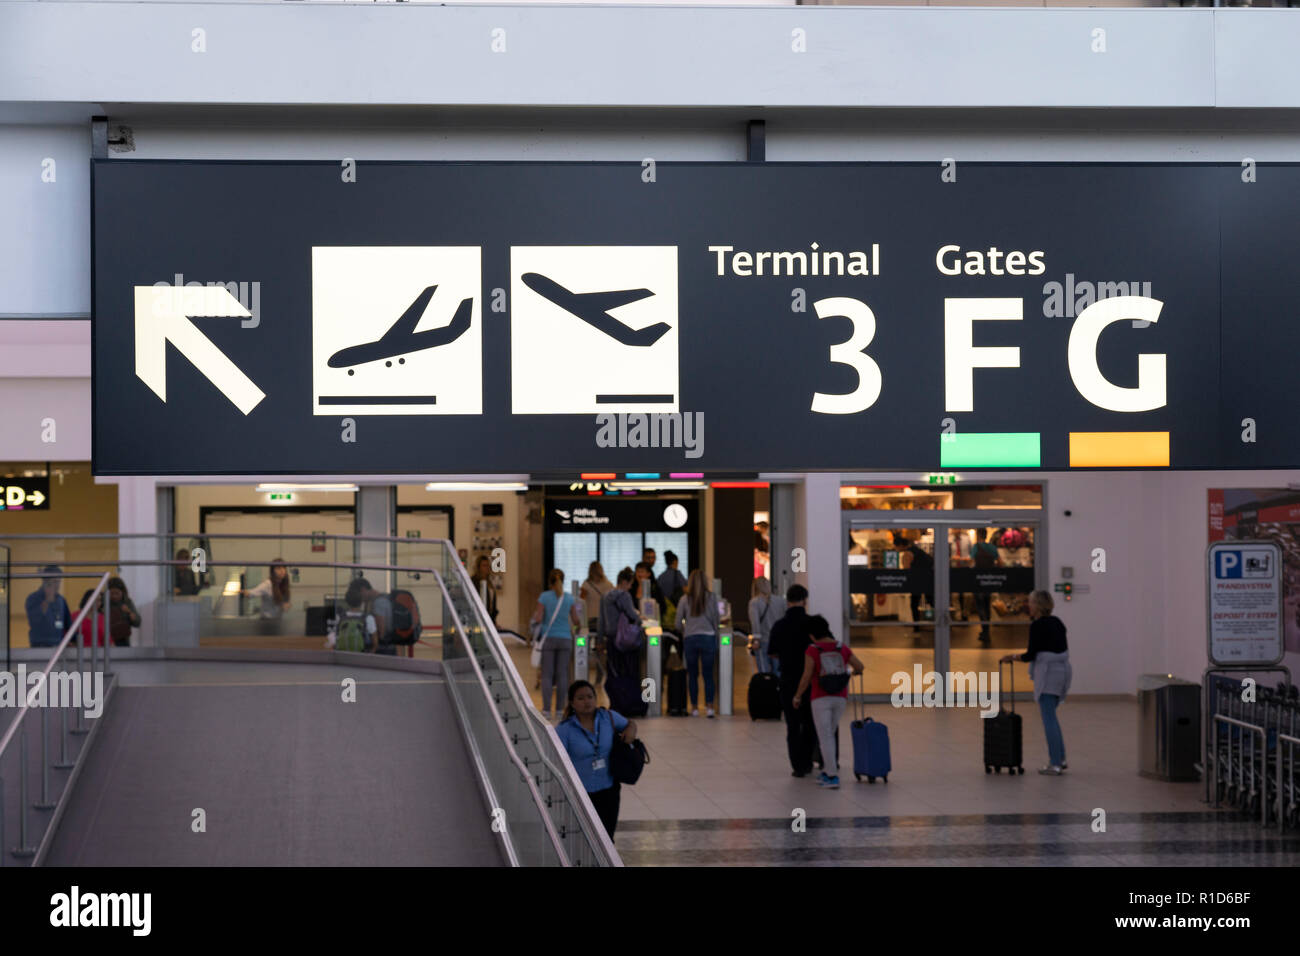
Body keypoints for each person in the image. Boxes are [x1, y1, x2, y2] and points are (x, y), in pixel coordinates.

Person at [555, 680, 637, 839]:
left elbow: (630, 724)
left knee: (607, 836)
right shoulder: (565, 730)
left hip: (609, 789)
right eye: (581, 698)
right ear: (572, 703)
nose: (587, 701)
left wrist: (630, 732)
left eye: (590, 696)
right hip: (581, 793)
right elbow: (556, 759)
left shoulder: (608, 717)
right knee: (586, 838)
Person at [1002, 589, 1071, 775]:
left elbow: (1030, 654)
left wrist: (1012, 656)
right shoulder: (1057, 623)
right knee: (1052, 718)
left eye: (1031, 603)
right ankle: (1061, 758)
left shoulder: (1037, 626)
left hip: (1048, 676)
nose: (1028, 606)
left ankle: (1055, 763)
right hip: (1061, 674)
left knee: (1049, 720)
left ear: (1038, 606)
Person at [792, 615, 864, 789]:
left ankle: (832, 776)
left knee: (825, 737)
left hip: (820, 697)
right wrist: (849, 676)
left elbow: (807, 676)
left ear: (812, 634)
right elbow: (860, 667)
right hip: (840, 697)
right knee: (829, 734)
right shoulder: (841, 647)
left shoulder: (813, 650)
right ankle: (827, 772)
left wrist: (797, 696)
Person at [767, 584, 818, 777]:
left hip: (788, 680)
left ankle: (798, 766)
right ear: (805, 601)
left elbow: (772, 653)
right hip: (810, 680)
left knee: (793, 724)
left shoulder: (779, 625)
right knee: (810, 721)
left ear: (787, 602)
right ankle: (808, 760)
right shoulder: (813, 624)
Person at [530, 569, 584, 719]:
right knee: (562, 675)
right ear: (563, 580)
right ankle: (560, 710)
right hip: (565, 639)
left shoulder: (544, 597)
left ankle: (546, 710)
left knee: (547, 675)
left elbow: (539, 618)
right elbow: (576, 620)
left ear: (549, 581)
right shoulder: (569, 599)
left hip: (548, 639)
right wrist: (578, 628)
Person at [675, 569, 721, 717]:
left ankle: (694, 707)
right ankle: (709, 708)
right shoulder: (712, 597)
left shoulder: (684, 599)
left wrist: (685, 630)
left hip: (690, 639)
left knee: (692, 674)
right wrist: (715, 634)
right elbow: (716, 620)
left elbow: (677, 623)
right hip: (708, 637)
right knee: (708, 675)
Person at [580, 561, 614, 684]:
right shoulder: (608, 585)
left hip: (589, 621)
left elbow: (581, 602)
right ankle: (600, 677)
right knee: (600, 649)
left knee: (584, 648)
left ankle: (584, 675)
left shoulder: (586, 584)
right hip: (603, 621)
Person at [747, 577, 784, 676]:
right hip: (778, 641)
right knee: (778, 671)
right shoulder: (780, 601)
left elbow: (755, 623)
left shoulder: (754, 602)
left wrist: (756, 640)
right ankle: (778, 690)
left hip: (763, 641)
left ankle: (767, 690)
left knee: (764, 672)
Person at [26, 566, 71, 647]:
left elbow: (68, 624)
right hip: (39, 645)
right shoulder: (33, 598)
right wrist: (47, 600)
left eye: (59, 582)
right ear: (45, 582)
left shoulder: (61, 600)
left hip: (58, 644)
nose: (57, 585)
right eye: (54, 582)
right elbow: (34, 621)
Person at [327, 577, 376, 652]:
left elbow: (332, 641)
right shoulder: (368, 618)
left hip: (343, 657)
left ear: (347, 601)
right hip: (361, 658)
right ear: (361, 601)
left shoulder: (339, 617)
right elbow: (375, 643)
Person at [897, 535, 934, 632]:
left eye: (896, 546)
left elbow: (906, 570)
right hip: (928, 579)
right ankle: (943, 622)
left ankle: (916, 627)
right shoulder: (917, 550)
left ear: (900, 545)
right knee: (932, 601)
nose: (895, 549)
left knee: (914, 604)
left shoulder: (908, 553)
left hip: (917, 581)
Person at [972, 528, 1000, 645]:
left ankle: (984, 630)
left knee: (980, 605)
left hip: (978, 579)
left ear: (978, 535)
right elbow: (1000, 562)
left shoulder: (976, 547)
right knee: (987, 604)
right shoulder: (992, 548)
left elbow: (971, 562)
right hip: (989, 579)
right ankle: (986, 630)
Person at [106, 576, 142, 647]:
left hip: (123, 642)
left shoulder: (127, 602)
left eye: (117, 593)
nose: (114, 596)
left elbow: (137, 622)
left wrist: (129, 612)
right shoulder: (104, 602)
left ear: (123, 592)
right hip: (107, 641)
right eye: (112, 593)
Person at [470, 555, 499, 624]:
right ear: (478, 567)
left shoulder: (489, 582)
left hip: (489, 619)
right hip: (478, 619)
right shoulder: (474, 581)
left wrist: (494, 622)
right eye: (484, 565)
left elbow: (492, 604)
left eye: (488, 565)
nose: (487, 568)